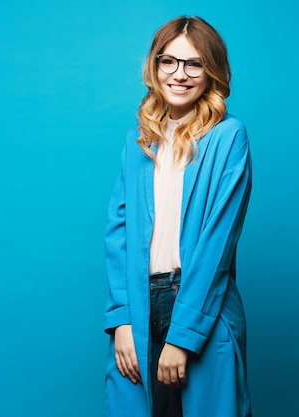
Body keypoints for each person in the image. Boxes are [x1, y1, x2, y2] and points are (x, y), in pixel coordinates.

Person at [103, 16, 253, 417]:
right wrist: (120, 320)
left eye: (195, 64)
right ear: (155, 66)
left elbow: (215, 247)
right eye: (169, 61)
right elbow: (118, 234)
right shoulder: (140, 142)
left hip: (197, 299)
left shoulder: (228, 137)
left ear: (211, 72)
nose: (180, 74)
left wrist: (183, 337)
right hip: (138, 300)